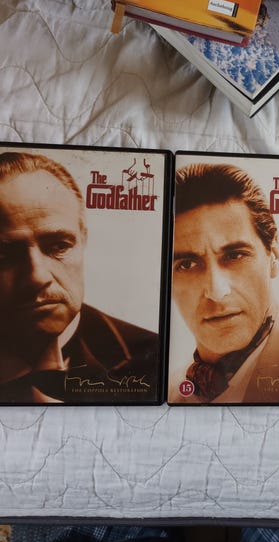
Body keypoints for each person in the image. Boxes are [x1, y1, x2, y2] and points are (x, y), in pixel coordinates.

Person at [169, 162, 279, 404]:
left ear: (274, 255)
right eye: (187, 264)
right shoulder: (172, 388)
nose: (217, 291)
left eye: (235, 255)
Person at [0, 151, 159, 404]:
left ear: (83, 239)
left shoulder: (155, 357)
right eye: (5, 255)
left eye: (59, 246)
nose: (37, 277)